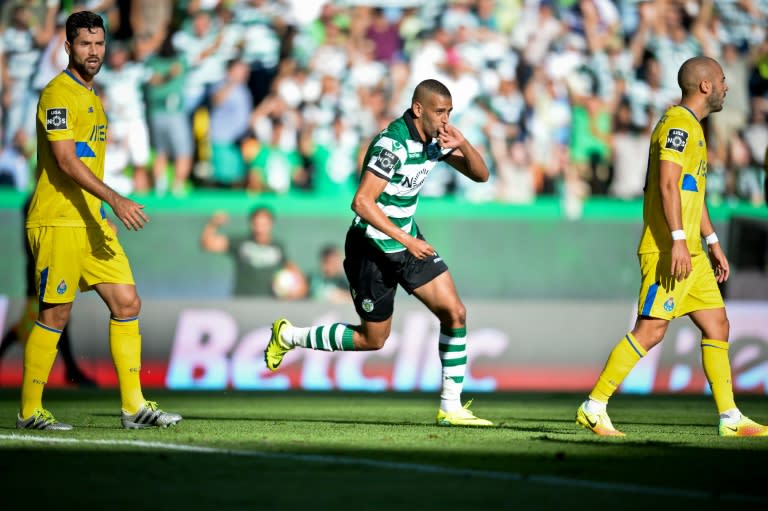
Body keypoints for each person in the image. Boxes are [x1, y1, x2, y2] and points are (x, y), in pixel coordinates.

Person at [264, 79, 493, 427]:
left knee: (455, 312)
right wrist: (407, 239)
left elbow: (481, 175)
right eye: (440, 112)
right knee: (373, 339)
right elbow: (361, 202)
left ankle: (451, 407)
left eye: (449, 112)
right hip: (371, 246)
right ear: (418, 109)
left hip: (407, 243)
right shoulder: (392, 145)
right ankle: (288, 335)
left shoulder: (437, 141)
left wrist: (463, 143)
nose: (446, 120)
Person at [576, 56, 767, 438]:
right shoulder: (678, 124)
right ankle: (594, 406)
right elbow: (666, 184)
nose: (728, 87)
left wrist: (711, 242)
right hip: (669, 250)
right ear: (705, 86)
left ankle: (730, 418)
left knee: (717, 323)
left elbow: (690, 192)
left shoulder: (694, 128)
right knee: (651, 331)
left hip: (692, 251)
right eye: (723, 80)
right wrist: (679, 241)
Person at [18, 11, 181, 430]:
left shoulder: (93, 96)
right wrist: (115, 197)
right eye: (85, 44)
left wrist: (102, 211)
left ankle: (133, 407)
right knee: (55, 313)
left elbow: (87, 160)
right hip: (57, 221)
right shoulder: (58, 94)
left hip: (90, 221)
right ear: (68, 47)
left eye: (99, 43)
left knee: (127, 301)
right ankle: (29, 411)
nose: (94, 52)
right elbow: (66, 160)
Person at [0, 196, 97, 387]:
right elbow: (35, 242)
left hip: (48, 268)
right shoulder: (36, 201)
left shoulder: (39, 200)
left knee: (58, 318)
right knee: (33, 324)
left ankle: (71, 370)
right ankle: (68, 372)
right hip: (41, 270)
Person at [200, 206, 307, 298]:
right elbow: (207, 244)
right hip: (243, 300)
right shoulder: (241, 243)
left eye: (264, 223)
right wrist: (213, 224)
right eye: (256, 223)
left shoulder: (278, 247)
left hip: (269, 302)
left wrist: (297, 287)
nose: (260, 228)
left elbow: (291, 268)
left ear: (271, 224)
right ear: (251, 223)